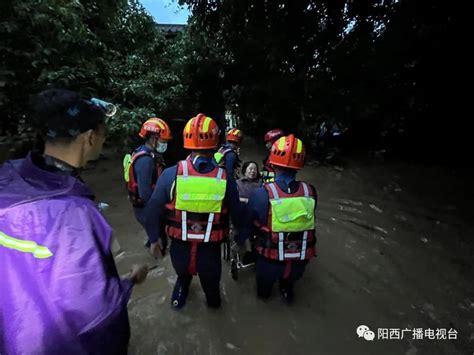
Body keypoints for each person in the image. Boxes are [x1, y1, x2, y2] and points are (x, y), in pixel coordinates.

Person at [0, 88, 148, 355]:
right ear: (89, 138)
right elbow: (94, 313)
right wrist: (128, 281)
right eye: (104, 133)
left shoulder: (9, 176)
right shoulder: (74, 214)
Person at [145, 113, 240, 309]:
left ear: (186, 141)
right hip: (210, 252)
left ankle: (182, 289)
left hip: (180, 249)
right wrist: (241, 238)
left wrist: (155, 239)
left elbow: (153, 211)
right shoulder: (225, 178)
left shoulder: (171, 174)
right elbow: (237, 214)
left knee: (182, 275)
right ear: (215, 142)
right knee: (213, 293)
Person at [237, 134, 317, 304]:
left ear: (272, 162)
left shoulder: (262, 194)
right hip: (299, 261)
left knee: (263, 295)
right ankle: (286, 290)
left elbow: (246, 227)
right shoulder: (310, 191)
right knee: (288, 287)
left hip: (270, 261)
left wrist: (239, 242)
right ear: (300, 165)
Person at [123, 118, 172, 254]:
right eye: (163, 141)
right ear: (153, 139)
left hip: (142, 208)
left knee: (156, 238)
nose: (165, 144)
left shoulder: (145, 153)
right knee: (159, 245)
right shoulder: (145, 160)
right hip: (146, 209)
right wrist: (154, 236)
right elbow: (146, 195)